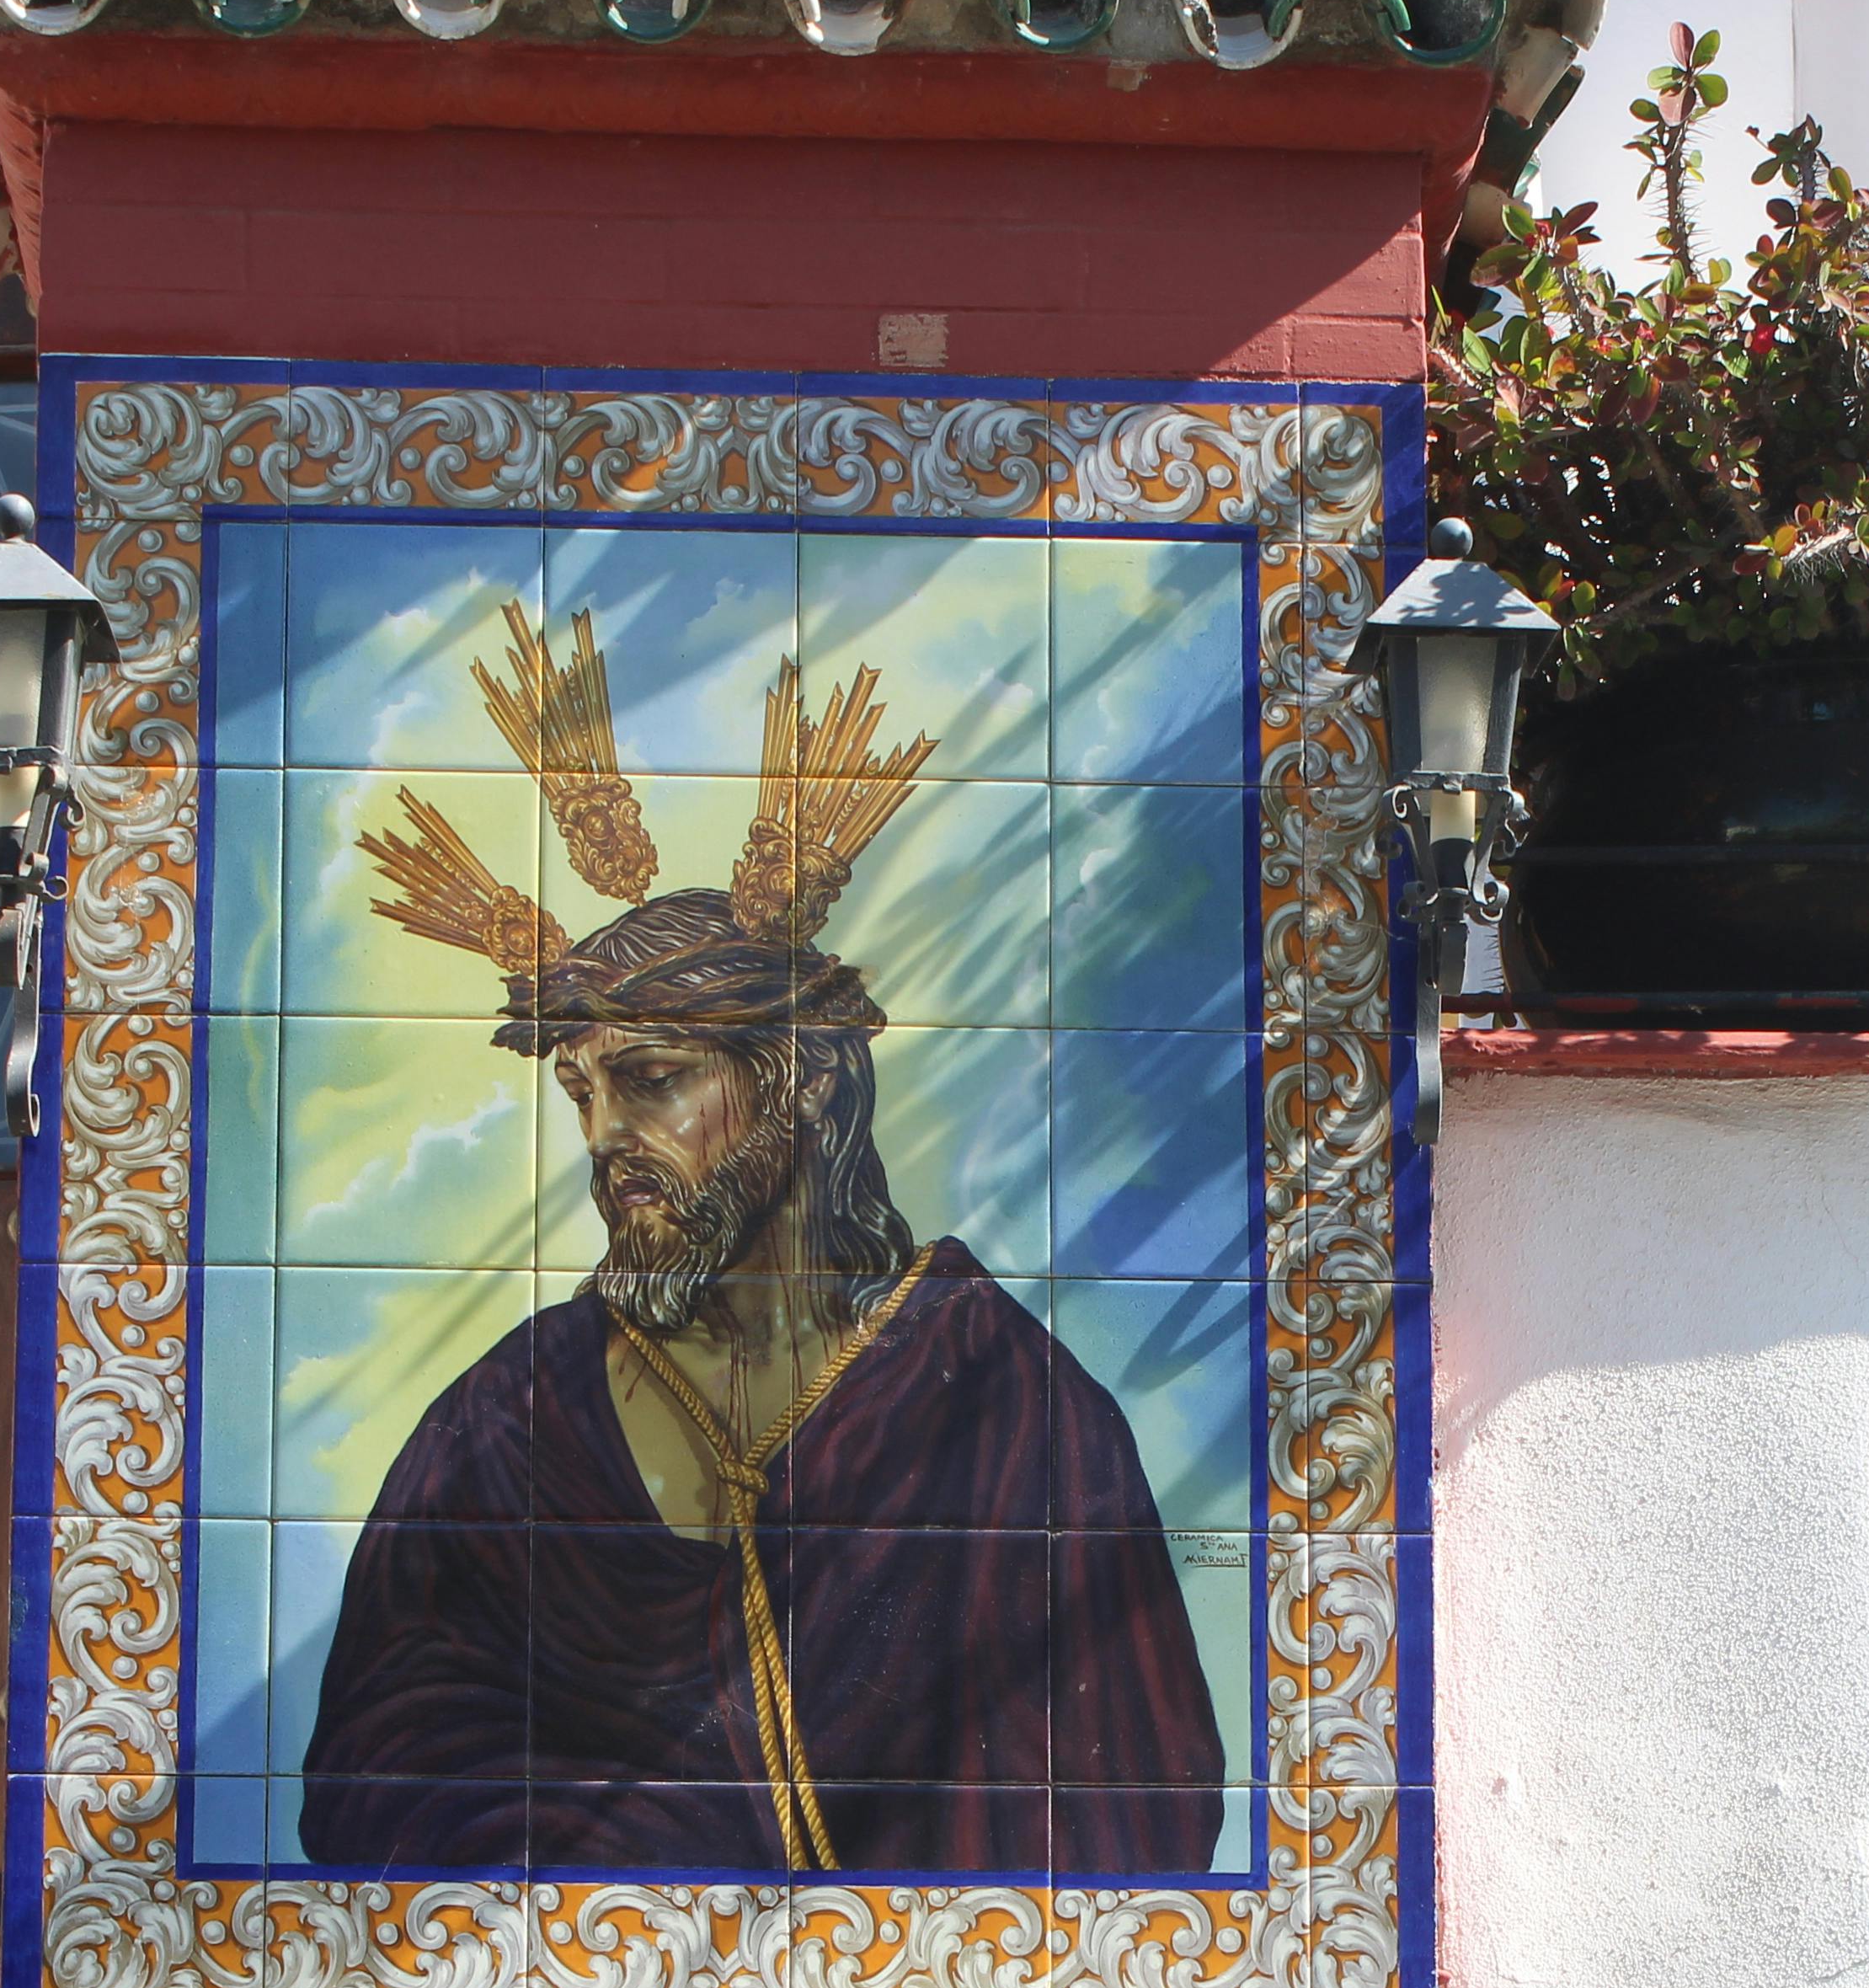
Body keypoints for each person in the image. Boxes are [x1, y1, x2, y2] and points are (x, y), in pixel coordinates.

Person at [293, 604, 1222, 1878]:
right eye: (583, 1092)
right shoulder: (511, 1425)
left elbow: (1136, 1797)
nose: (607, 1135)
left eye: (655, 1081)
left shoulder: (1007, 1408)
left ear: (800, 1084)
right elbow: (374, 1768)